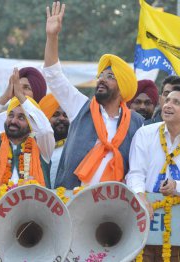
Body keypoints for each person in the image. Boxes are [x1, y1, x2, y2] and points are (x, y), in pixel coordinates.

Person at [43, 2, 143, 189]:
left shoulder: (136, 122)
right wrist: (52, 36)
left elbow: (138, 168)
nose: (102, 80)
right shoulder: (81, 108)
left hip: (115, 204)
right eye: (101, 76)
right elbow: (53, 75)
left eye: (110, 76)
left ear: (122, 88)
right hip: (74, 200)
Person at [126, 86, 180, 261]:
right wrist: (140, 196)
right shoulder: (145, 133)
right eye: (167, 100)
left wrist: (176, 186)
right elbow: (135, 173)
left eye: (176, 102)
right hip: (147, 214)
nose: (168, 105)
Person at [0, 68, 54, 187]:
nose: (13, 121)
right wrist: (4, 97)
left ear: (31, 123)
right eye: (10, 115)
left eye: (21, 117)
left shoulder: (42, 145)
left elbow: (45, 130)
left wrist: (21, 97)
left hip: (34, 205)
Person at [0, 67, 47, 131]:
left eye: (26, 88)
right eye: (17, 86)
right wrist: (4, 97)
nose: (19, 91)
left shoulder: (44, 122)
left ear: (37, 93)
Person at [39, 93, 69, 188]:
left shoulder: (74, 147)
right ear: (45, 118)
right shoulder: (35, 145)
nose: (61, 118)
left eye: (65, 115)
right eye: (56, 115)